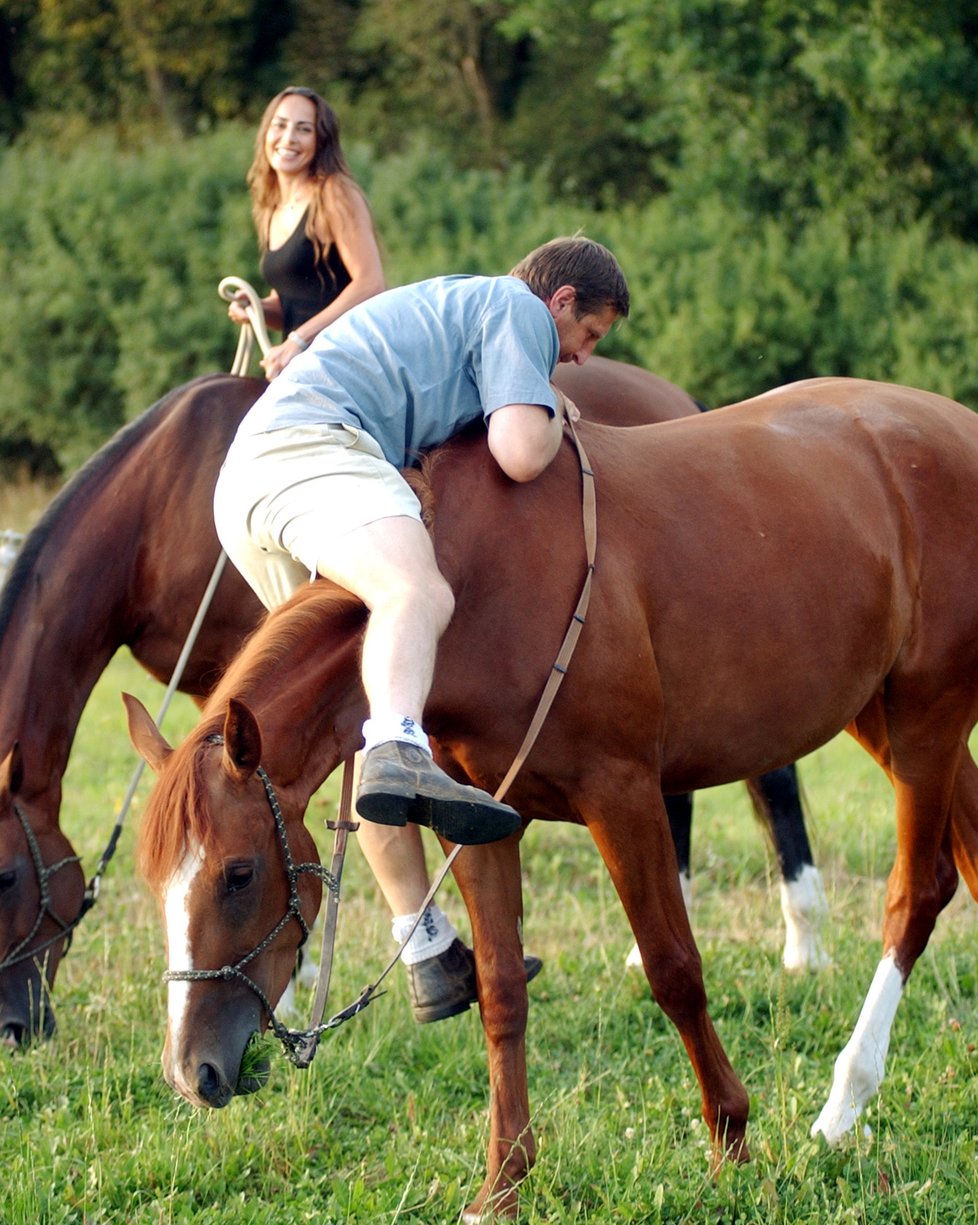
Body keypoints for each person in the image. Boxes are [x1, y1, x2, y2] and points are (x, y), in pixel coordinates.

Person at [214, 235, 630, 1022]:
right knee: (417, 593)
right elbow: (516, 450)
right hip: (312, 450)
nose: (578, 356)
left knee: (357, 719)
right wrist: (556, 414)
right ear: (563, 301)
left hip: (251, 480)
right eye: (589, 335)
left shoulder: (455, 306)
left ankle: (425, 945)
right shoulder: (516, 309)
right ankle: (404, 752)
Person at [227, 86, 386, 380]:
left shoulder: (335, 194)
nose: (288, 138)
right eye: (280, 125)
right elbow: (294, 300)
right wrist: (257, 309)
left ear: (319, 141)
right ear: (266, 132)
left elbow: (371, 283)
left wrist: (298, 341)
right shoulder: (270, 207)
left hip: (346, 360)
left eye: (303, 129)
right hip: (298, 365)